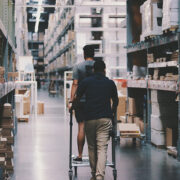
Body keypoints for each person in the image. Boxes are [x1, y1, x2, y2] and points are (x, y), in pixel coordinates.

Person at [74, 60, 118, 180]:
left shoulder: (86, 82)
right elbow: (116, 101)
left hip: (90, 118)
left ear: (93, 70)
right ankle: (99, 176)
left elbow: (77, 98)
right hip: (105, 119)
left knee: (92, 148)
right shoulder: (110, 83)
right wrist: (112, 113)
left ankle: (94, 174)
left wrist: (75, 108)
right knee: (102, 148)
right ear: (104, 70)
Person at [69, 45, 95, 162]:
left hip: (80, 101)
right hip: (94, 100)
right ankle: (93, 155)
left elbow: (75, 84)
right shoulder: (98, 66)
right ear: (93, 54)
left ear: (84, 54)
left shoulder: (78, 67)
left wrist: (71, 101)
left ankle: (80, 155)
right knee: (94, 128)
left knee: (81, 127)